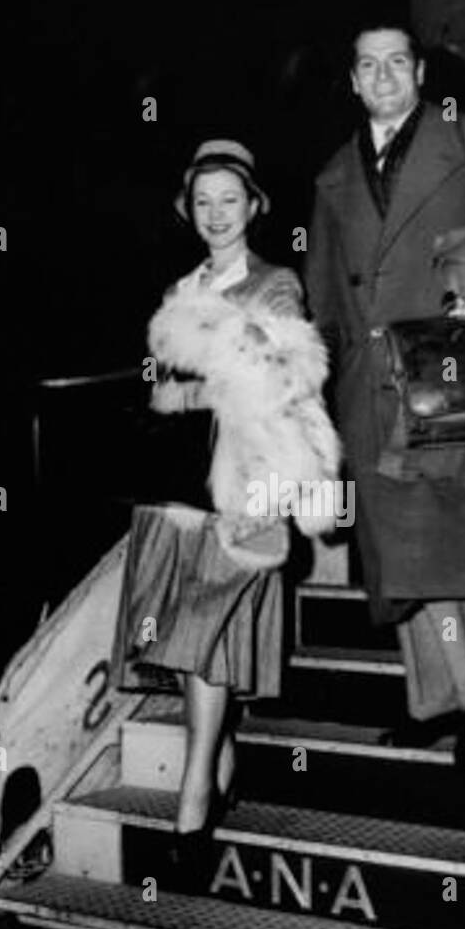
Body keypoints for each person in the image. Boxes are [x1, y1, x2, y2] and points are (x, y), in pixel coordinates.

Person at [304, 23, 465, 773]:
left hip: (455, 380)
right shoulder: (332, 173)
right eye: (367, 65)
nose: (383, 75)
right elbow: (324, 297)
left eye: (397, 61)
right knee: (399, 561)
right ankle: (431, 702)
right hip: (371, 389)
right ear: (353, 82)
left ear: (420, 72)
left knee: (453, 555)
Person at [113, 139, 337, 880]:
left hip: (246, 481)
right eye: (202, 202)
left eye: (228, 201)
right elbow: (158, 381)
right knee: (183, 650)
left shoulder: (274, 284)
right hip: (180, 489)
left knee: (204, 642)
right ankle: (222, 763)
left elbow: (280, 380)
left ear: (253, 207)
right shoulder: (181, 286)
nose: (215, 214)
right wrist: (161, 395)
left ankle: (194, 795)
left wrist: (190, 392)